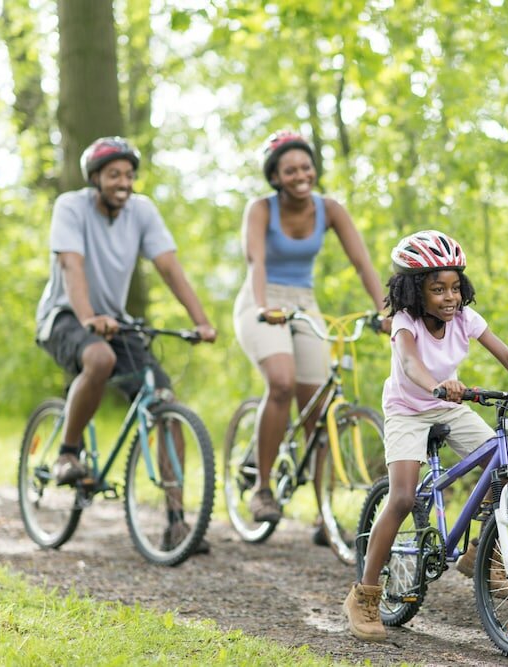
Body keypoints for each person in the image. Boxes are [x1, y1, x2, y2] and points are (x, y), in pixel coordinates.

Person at [342, 229, 508, 641]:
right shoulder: (404, 322)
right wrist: (436, 383)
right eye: (438, 289)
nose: (450, 297)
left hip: (449, 405)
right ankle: (364, 594)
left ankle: (482, 556)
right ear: (415, 291)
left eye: (455, 287)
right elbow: (411, 364)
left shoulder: (466, 318)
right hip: (407, 409)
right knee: (401, 497)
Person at [35, 136, 218, 552]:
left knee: (165, 402)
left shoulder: (142, 211)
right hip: (64, 315)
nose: (124, 182)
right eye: (114, 174)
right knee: (97, 358)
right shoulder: (71, 206)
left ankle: (176, 523)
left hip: (115, 322)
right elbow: (71, 265)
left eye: (130, 175)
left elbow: (169, 266)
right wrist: (87, 318)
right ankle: (67, 452)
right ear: (95, 178)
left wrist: (201, 321)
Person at [233, 130, 389, 527]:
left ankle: (324, 512)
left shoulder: (330, 209)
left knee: (317, 407)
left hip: (304, 301)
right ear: (275, 177)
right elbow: (256, 261)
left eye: (306, 167)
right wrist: (265, 305)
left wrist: (386, 311)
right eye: (290, 170)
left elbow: (362, 263)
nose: (300, 175)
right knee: (282, 383)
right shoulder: (261, 209)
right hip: (262, 298)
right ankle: (262, 488)